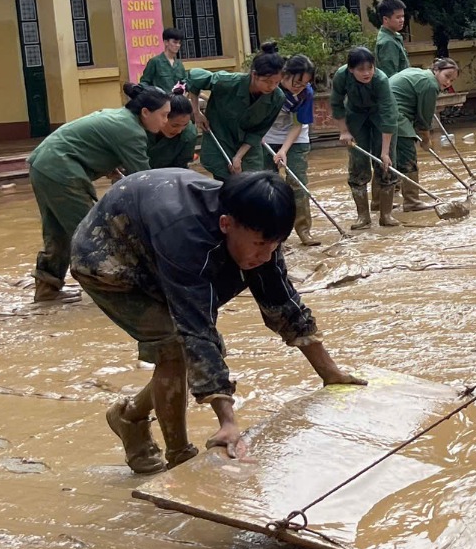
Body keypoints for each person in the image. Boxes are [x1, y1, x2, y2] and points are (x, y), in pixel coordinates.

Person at [70, 168, 364, 474]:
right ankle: (179, 458)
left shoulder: (257, 227)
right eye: (259, 245)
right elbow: (195, 329)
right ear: (226, 224)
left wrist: (331, 373)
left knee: (199, 342)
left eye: (274, 246)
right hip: (109, 261)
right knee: (175, 346)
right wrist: (227, 421)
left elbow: (283, 302)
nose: (266, 255)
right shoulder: (186, 236)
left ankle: (130, 415)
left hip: (156, 247)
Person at [26, 84, 168, 303]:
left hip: (42, 165)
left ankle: (47, 289)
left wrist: (107, 165)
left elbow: (89, 144)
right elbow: (144, 179)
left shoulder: (120, 118)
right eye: (164, 115)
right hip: (60, 170)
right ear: (145, 112)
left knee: (58, 232)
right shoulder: (132, 131)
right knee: (93, 233)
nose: (165, 122)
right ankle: (113, 293)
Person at [184, 48, 288, 180]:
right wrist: (196, 112)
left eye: (277, 82)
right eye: (267, 82)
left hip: (247, 147)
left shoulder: (277, 98)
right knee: (225, 184)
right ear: (254, 75)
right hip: (221, 138)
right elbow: (194, 76)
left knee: (252, 184)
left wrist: (238, 157)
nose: (272, 87)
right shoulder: (228, 82)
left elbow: (258, 132)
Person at [330, 46, 401, 230]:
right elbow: (336, 103)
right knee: (357, 163)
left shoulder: (381, 80)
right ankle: (363, 217)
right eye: (361, 69)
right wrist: (344, 131)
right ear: (351, 69)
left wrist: (385, 153)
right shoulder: (341, 76)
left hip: (380, 117)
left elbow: (388, 116)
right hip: (355, 116)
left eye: (370, 68)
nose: (367, 73)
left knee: (386, 163)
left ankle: (386, 215)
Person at [264, 54, 320, 246]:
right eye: (296, 82)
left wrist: (284, 151)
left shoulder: (306, 94)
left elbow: (297, 126)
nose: (299, 87)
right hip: (266, 136)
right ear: (285, 74)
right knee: (268, 184)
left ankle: (304, 230)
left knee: (297, 182)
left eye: (304, 84)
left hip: (295, 138)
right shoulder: (269, 85)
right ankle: (273, 235)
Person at [389, 59, 460, 210]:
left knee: (386, 159)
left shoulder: (418, 73)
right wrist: (426, 140)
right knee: (408, 158)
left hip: (384, 114)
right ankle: (412, 201)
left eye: (452, 80)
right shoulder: (430, 84)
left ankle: (378, 203)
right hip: (395, 117)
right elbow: (424, 119)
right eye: (447, 76)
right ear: (436, 70)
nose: (448, 83)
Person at [146, 91, 199, 170]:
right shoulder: (141, 129)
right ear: (162, 117)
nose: (179, 131)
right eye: (175, 125)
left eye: (185, 125)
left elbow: (181, 167)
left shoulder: (189, 134)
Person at [139, 28, 187, 94]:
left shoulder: (179, 64)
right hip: (160, 101)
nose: (178, 45)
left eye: (179, 43)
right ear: (166, 42)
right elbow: (144, 83)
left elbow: (185, 83)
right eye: (175, 42)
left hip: (177, 101)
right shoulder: (155, 62)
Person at [374, 0, 411, 76]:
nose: (402, 20)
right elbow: (391, 75)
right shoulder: (388, 42)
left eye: (403, 16)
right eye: (398, 17)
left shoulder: (394, 36)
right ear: (385, 19)